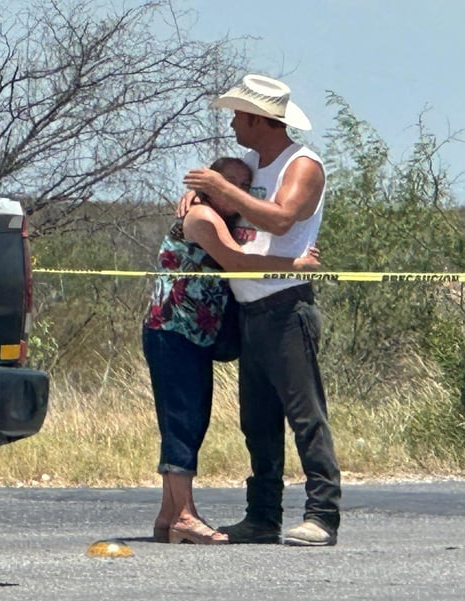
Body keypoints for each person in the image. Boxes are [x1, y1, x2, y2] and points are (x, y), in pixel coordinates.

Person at [181, 74, 341, 546]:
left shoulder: (302, 164)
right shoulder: (248, 163)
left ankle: (323, 513)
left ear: (258, 118)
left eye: (237, 114)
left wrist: (221, 190)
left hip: (286, 304)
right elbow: (213, 194)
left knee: (305, 413)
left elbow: (280, 217)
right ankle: (263, 513)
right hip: (248, 306)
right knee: (257, 420)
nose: (231, 122)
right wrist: (198, 194)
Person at [143, 156, 321, 545]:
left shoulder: (225, 217)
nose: (236, 190)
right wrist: (296, 264)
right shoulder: (203, 219)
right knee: (184, 420)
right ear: (211, 185)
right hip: (173, 329)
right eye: (229, 183)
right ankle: (185, 516)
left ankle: (168, 514)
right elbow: (238, 261)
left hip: (195, 334)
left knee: (189, 419)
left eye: (244, 183)